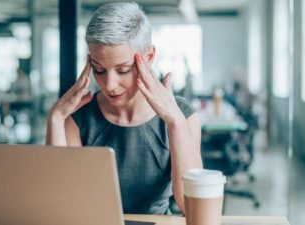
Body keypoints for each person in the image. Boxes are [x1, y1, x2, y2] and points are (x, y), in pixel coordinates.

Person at [46, 2, 202, 215]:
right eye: (99, 70)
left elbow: (192, 207)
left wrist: (175, 122)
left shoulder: (183, 115)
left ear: (148, 58)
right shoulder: (79, 119)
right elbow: (60, 205)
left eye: (123, 69)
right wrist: (56, 118)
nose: (109, 84)